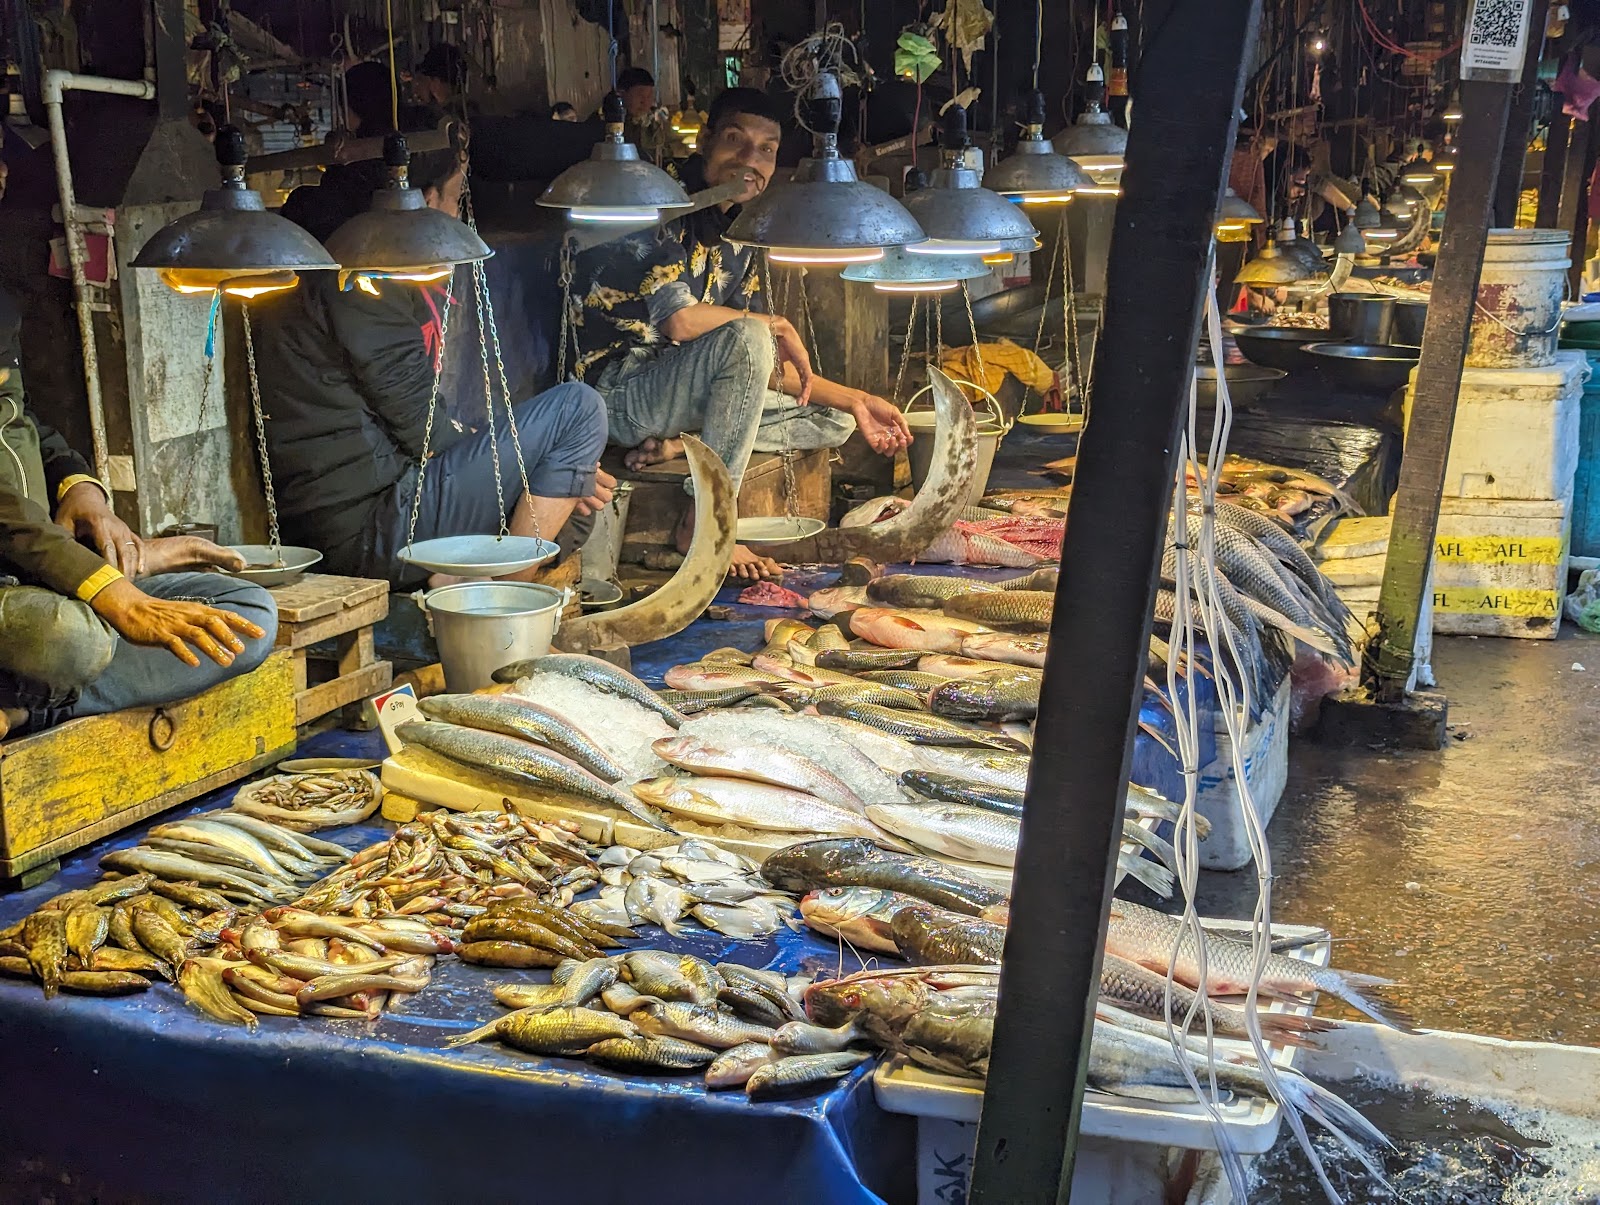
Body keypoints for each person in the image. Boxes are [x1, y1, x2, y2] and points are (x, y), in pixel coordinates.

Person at [569, 87, 912, 580]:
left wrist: (857, 400)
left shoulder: (737, 228)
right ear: (706, 140)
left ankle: (679, 447)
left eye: (767, 149)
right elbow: (682, 321)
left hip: (677, 393)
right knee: (752, 338)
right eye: (735, 140)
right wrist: (773, 324)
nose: (750, 159)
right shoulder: (658, 202)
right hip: (619, 395)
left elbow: (750, 368)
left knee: (834, 420)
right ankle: (705, 523)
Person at [254, 142, 614, 590]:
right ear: (425, 201)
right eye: (458, 198)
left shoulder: (344, 258)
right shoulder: (360, 277)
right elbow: (421, 427)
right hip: (365, 528)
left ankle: (463, 581)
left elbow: (417, 420)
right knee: (579, 410)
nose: (460, 217)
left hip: (371, 508)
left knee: (570, 508)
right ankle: (507, 601)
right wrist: (548, 461)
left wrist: (561, 471)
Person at [0, 297, 276, 737]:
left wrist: (84, 491)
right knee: (75, 640)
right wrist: (114, 595)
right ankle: (47, 690)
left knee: (251, 614)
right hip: (20, 590)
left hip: (52, 570)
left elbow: (22, 423)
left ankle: (29, 709)